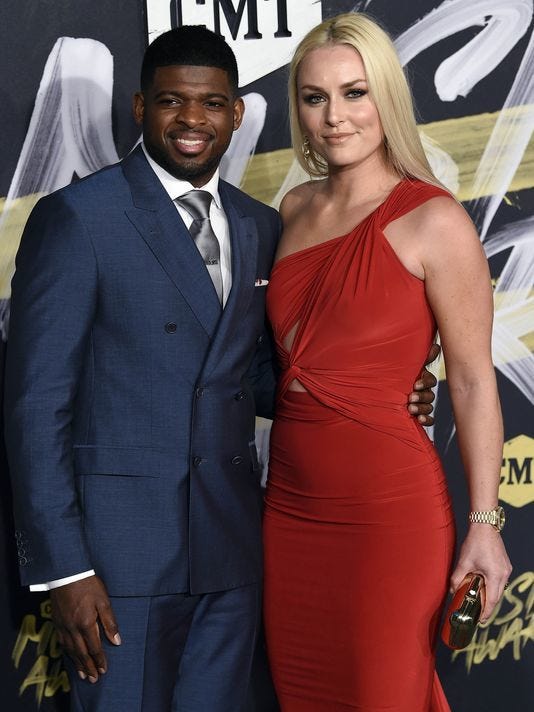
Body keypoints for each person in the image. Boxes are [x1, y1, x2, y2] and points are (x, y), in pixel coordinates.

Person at [5, 24, 437, 712]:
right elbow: (34, 407)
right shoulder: (79, 219)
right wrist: (66, 568)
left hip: (233, 551)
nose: (192, 121)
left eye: (211, 105)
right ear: (140, 109)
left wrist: (382, 389)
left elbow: (261, 378)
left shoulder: (261, 225)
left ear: (236, 114)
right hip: (120, 565)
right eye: (172, 102)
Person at [263, 12, 512, 712]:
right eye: (315, 98)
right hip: (288, 514)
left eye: (354, 93)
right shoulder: (292, 209)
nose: (335, 117)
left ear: (386, 100)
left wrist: (486, 525)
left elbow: (469, 378)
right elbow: (286, 363)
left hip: (388, 519)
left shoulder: (435, 220)